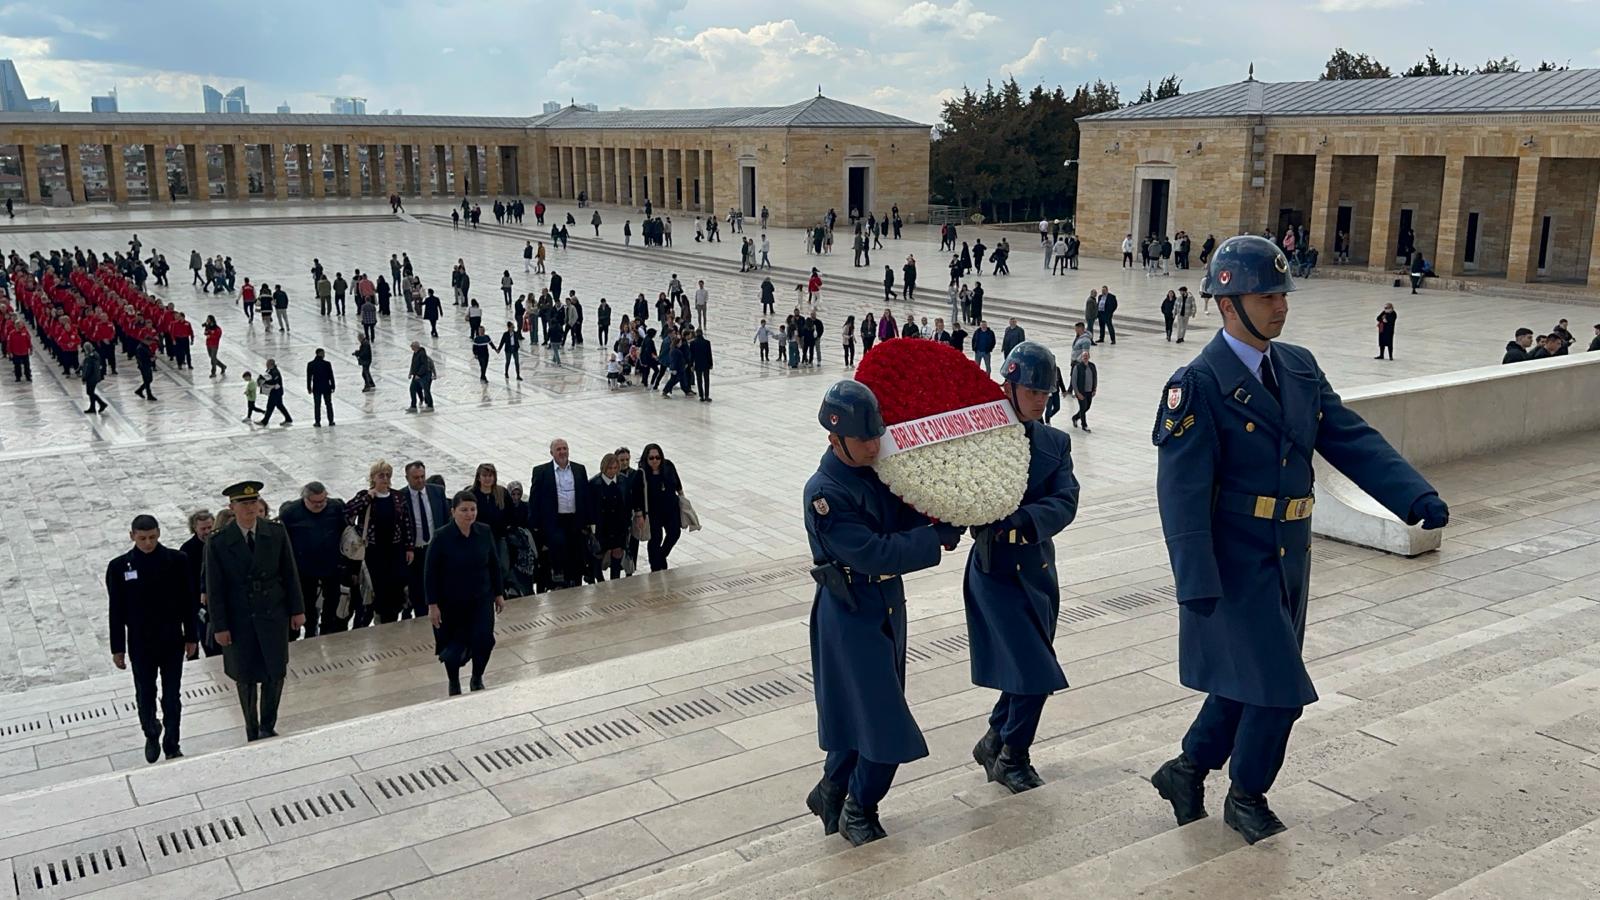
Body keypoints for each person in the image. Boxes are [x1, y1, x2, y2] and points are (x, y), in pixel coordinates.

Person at [1149, 235, 1449, 845]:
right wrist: (1194, 581)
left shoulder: (1299, 366)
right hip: (1234, 565)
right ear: (1228, 303)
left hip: (1290, 555)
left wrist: (1412, 494)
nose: (1281, 306)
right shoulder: (1197, 384)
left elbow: (1350, 438)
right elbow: (1180, 493)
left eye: (1283, 294)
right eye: (1266, 296)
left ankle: (1186, 770)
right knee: (1280, 688)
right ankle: (1246, 796)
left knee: (1250, 681)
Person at [803, 381, 963, 845]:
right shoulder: (825, 492)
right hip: (850, 612)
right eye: (864, 438)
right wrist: (931, 539)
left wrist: (943, 512)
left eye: (877, 435)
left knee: (863, 713)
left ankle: (832, 790)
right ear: (835, 439)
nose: (875, 445)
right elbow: (871, 552)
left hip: (886, 605)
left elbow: (905, 513)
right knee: (884, 721)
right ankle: (859, 807)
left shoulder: (876, 471)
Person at [967, 344, 1080, 793]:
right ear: (1008, 387)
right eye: (1032, 391)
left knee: (1028, 664)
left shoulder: (1055, 443)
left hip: (1037, 568)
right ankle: (1013, 755)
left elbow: (1065, 500)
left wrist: (1023, 520)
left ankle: (995, 738)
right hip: (994, 570)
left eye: (1046, 392)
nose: (1040, 400)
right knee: (1035, 669)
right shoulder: (979, 439)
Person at [205, 481, 306, 742]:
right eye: (244, 503)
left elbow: (289, 572)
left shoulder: (275, 532)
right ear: (232, 507)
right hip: (240, 618)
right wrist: (220, 626)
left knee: (275, 671)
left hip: (272, 613)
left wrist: (297, 610)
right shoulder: (218, 541)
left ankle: (267, 725)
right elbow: (215, 588)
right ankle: (252, 728)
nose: (250, 508)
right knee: (245, 675)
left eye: (253, 502)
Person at [107, 514, 200, 763]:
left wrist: (192, 637)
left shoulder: (177, 560)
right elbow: (116, 610)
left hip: (171, 638)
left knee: (172, 695)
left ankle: (172, 743)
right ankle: (150, 730)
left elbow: (188, 601)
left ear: (158, 533)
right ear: (132, 536)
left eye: (152, 537)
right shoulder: (119, 567)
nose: (148, 543)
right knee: (145, 692)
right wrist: (117, 648)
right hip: (140, 642)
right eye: (142, 538)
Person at [426, 491, 505, 695]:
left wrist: (498, 593)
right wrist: (432, 605)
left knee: (484, 639)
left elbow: (494, 564)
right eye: (464, 510)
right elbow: (430, 573)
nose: (469, 514)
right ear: (453, 512)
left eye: (472, 509)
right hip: (451, 602)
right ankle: (453, 681)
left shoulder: (484, 531)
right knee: (453, 645)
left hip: (481, 598)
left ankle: (477, 677)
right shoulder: (441, 536)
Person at [345, 460, 417, 623]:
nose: (385, 479)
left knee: (396, 587)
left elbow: (406, 523)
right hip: (373, 551)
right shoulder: (365, 495)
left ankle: (391, 617)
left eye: (388, 475)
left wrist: (409, 547)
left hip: (394, 550)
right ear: (373, 477)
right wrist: (367, 499)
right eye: (381, 475)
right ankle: (376, 618)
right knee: (376, 587)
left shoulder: (398, 497)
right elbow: (348, 511)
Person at [278, 483, 348, 637]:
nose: (320, 505)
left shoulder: (335, 507)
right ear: (305, 499)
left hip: (331, 564)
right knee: (307, 602)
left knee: (333, 599)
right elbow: (282, 540)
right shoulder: (290, 512)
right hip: (305, 567)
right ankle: (310, 630)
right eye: (316, 502)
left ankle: (326, 630)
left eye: (323, 501)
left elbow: (345, 530)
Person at [528, 438, 595, 589]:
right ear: (551, 452)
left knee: (576, 552)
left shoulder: (579, 469)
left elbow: (585, 495)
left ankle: (575, 581)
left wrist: (589, 521)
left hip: (575, 520)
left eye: (565, 448)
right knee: (558, 550)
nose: (562, 452)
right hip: (554, 521)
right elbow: (535, 498)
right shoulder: (541, 471)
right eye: (558, 449)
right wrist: (535, 525)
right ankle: (559, 582)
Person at [401, 460, 449, 618]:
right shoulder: (400, 497)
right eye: (416, 478)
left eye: (422, 476)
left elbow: (445, 519)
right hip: (414, 552)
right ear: (407, 478)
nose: (420, 480)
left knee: (439, 585)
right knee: (418, 591)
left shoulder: (437, 491)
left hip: (434, 548)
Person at [631, 442, 683, 572]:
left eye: (658, 457)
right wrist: (639, 514)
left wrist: (683, 498)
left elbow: (677, 483)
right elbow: (636, 495)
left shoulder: (668, 466)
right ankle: (655, 566)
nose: (655, 461)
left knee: (674, 533)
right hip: (653, 512)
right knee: (655, 538)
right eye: (651, 458)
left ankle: (660, 557)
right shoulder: (641, 473)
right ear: (646, 459)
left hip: (671, 509)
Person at [590, 453, 631, 581]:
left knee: (617, 552)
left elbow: (628, 501)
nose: (612, 471)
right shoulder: (594, 483)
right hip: (602, 524)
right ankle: (599, 579)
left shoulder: (623, 481)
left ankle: (615, 579)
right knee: (599, 553)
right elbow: (590, 506)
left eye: (615, 468)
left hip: (619, 524)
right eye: (609, 468)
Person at [306, 348, 336, 427]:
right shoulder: (327, 364)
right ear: (319, 353)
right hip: (326, 387)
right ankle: (331, 421)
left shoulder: (311, 364)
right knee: (328, 404)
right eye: (323, 353)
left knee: (317, 405)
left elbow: (309, 377)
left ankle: (317, 422)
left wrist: (309, 388)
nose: (324, 355)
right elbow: (331, 376)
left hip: (317, 387)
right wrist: (333, 386)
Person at [1069, 349, 1097, 431]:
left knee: (1087, 407)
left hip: (1089, 391)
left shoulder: (1092, 366)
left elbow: (1095, 377)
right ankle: (1084, 425)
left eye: (1086, 356)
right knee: (1082, 407)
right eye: (1084, 356)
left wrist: (1094, 388)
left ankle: (1075, 417)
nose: (1085, 357)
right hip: (1081, 392)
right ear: (1081, 357)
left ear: (1089, 357)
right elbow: (1074, 381)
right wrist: (1077, 393)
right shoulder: (1077, 367)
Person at [258, 359, 291, 426]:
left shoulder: (275, 372)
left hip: (276, 392)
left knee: (270, 406)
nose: (266, 365)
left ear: (271, 364)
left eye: (267, 364)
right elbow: (266, 377)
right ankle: (288, 419)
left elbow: (274, 382)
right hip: (274, 391)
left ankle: (264, 422)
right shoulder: (269, 370)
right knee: (280, 405)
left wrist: (265, 383)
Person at [408, 343, 435, 411]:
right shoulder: (415, 353)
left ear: (416, 347)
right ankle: (413, 406)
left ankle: (430, 406)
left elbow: (424, 366)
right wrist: (411, 373)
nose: (411, 349)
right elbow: (413, 364)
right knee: (412, 389)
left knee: (426, 391)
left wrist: (419, 374)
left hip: (424, 376)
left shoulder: (422, 354)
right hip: (416, 375)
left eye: (412, 347)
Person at [81, 346, 108, 414]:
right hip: (95, 376)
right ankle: (93, 407)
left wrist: (84, 378)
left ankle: (102, 403)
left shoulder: (89, 358)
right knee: (91, 392)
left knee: (90, 392)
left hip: (91, 378)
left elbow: (87, 369)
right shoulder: (95, 355)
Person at [690, 328, 714, 402]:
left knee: (699, 380)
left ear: (696, 334)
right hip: (706, 364)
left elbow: (691, 356)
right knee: (706, 380)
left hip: (698, 364)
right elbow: (709, 354)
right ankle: (707, 396)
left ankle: (701, 396)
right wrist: (711, 364)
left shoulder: (693, 343)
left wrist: (691, 365)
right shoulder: (707, 342)